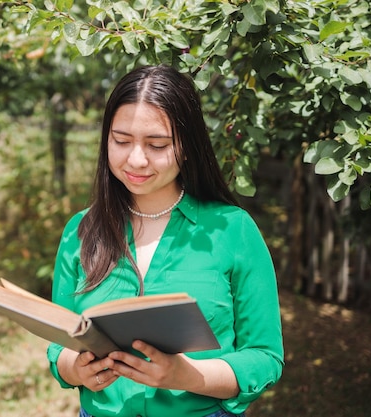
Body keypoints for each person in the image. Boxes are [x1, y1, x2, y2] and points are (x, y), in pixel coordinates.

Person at [47, 64, 284, 417]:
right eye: (121, 141)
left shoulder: (233, 231)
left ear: (187, 147)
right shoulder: (80, 231)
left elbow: (265, 358)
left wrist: (187, 375)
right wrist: (74, 368)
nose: (136, 159)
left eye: (157, 145)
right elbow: (60, 343)